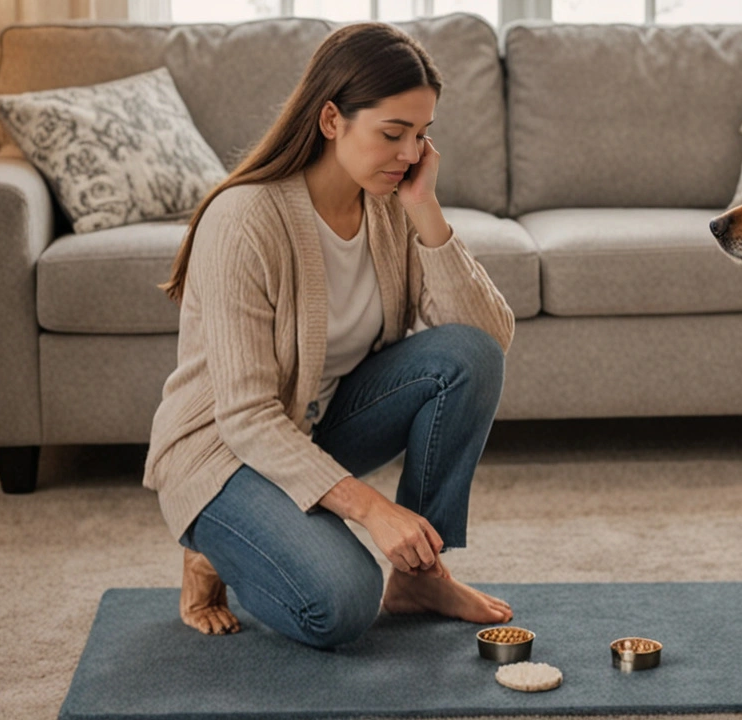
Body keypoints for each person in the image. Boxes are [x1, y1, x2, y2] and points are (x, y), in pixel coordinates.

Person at [143, 22, 516, 649]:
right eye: (392, 134)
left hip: (311, 424)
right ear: (331, 120)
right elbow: (247, 417)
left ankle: (421, 576)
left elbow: (488, 335)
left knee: (467, 357)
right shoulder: (245, 220)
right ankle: (211, 547)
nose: (408, 153)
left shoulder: (391, 202)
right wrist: (374, 509)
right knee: (341, 607)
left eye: (421, 136)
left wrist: (425, 208)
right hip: (222, 453)